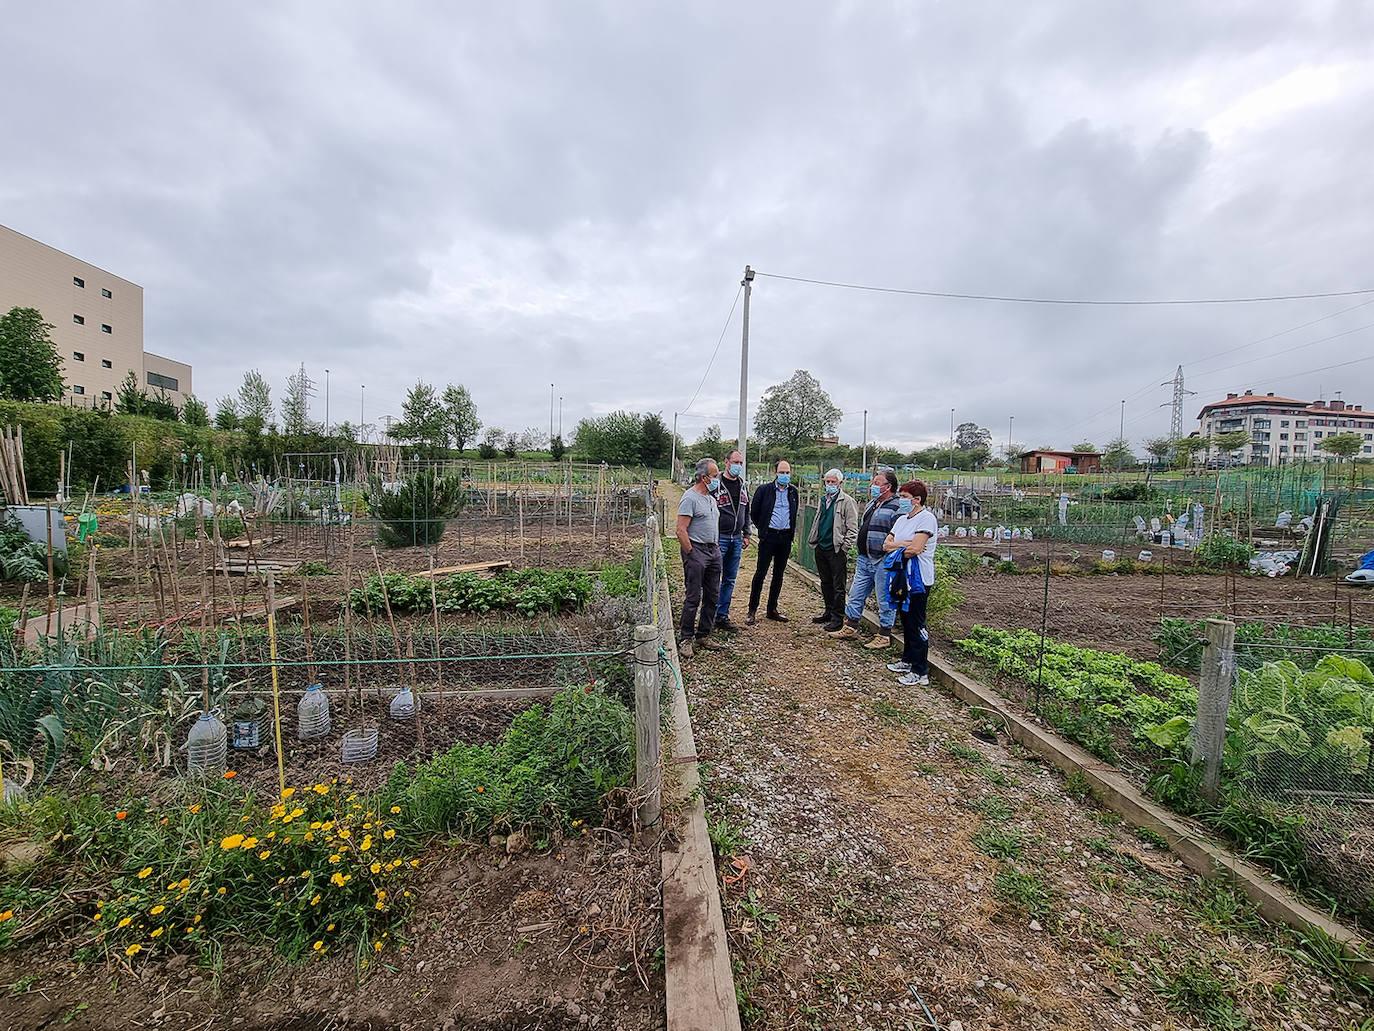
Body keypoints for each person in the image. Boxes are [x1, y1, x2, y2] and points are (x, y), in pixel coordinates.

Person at [830, 468, 903, 649]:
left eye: (878, 484)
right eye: (874, 483)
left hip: (883, 559)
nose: (873, 486)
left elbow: (898, 534)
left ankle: (884, 634)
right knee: (856, 594)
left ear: (889, 486)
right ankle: (851, 626)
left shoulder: (897, 506)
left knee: (884, 598)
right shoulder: (872, 503)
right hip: (865, 558)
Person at [882, 480, 938, 685]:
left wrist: (899, 546)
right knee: (905, 620)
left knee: (916, 622)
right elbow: (886, 544)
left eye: (905, 497)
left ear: (917, 499)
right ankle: (907, 660)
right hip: (901, 577)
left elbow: (916, 549)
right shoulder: (903, 520)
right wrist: (904, 545)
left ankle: (920, 670)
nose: (901, 500)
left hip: (919, 580)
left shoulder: (927, 519)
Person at [675, 458, 725, 658]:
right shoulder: (690, 498)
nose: (717, 479)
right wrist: (691, 553)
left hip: (713, 551)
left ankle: (703, 634)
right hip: (697, 551)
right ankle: (686, 638)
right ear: (704, 478)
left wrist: (716, 548)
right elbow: (680, 530)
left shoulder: (711, 499)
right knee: (693, 597)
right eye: (714, 476)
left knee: (712, 595)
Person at [745, 460, 799, 625]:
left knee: (779, 574)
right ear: (775, 473)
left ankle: (772, 609)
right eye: (782, 472)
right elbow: (754, 512)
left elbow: (794, 512)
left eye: (787, 473)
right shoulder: (764, 490)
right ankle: (752, 610)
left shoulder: (793, 492)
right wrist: (763, 529)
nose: (785, 476)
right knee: (760, 574)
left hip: (785, 538)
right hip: (769, 537)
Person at [807, 468, 858, 630]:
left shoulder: (847, 502)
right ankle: (828, 611)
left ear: (840, 483)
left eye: (833, 482)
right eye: (827, 482)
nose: (829, 485)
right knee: (826, 582)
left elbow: (852, 528)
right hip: (821, 546)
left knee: (838, 585)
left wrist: (845, 547)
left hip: (836, 549)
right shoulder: (823, 500)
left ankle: (837, 618)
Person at [712, 448, 753, 631]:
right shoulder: (716, 485)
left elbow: (747, 511)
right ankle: (708, 614)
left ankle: (722, 615)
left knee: (729, 578)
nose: (738, 466)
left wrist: (747, 533)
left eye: (741, 463)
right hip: (718, 537)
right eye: (735, 462)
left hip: (736, 538)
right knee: (712, 577)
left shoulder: (743, 486)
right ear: (726, 462)